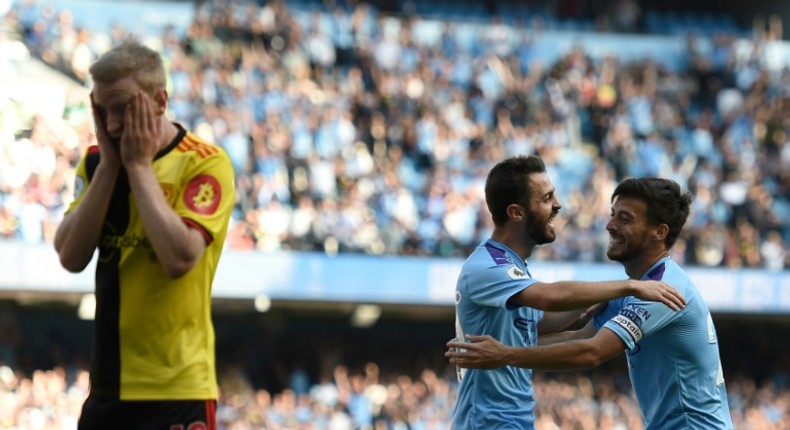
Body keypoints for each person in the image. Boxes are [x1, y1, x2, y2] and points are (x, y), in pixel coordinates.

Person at [447, 177, 734, 429]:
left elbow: (591, 352)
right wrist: (493, 348)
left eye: (625, 218)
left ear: (659, 232)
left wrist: (506, 354)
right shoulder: (638, 287)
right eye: (612, 215)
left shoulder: (661, 289)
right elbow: (582, 335)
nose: (610, 225)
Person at [54, 38, 235, 429]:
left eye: (123, 108)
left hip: (176, 391)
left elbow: (179, 258)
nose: (114, 124)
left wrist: (137, 167)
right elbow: (69, 256)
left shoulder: (205, 163)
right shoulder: (96, 162)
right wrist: (109, 169)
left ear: (160, 101)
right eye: (103, 110)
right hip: (106, 388)